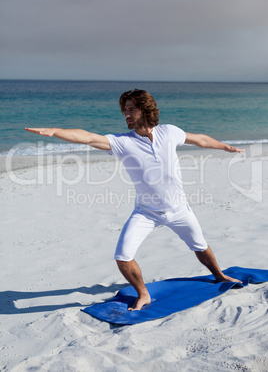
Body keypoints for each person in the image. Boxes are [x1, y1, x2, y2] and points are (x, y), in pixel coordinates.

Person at [25, 89, 243, 311]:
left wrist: (225, 147)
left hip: (179, 210)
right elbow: (89, 137)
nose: (126, 115)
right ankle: (143, 293)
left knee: (200, 246)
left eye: (131, 109)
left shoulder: (169, 132)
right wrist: (55, 131)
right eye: (125, 110)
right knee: (123, 257)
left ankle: (219, 275)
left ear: (145, 109)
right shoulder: (122, 143)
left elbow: (200, 140)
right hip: (146, 212)